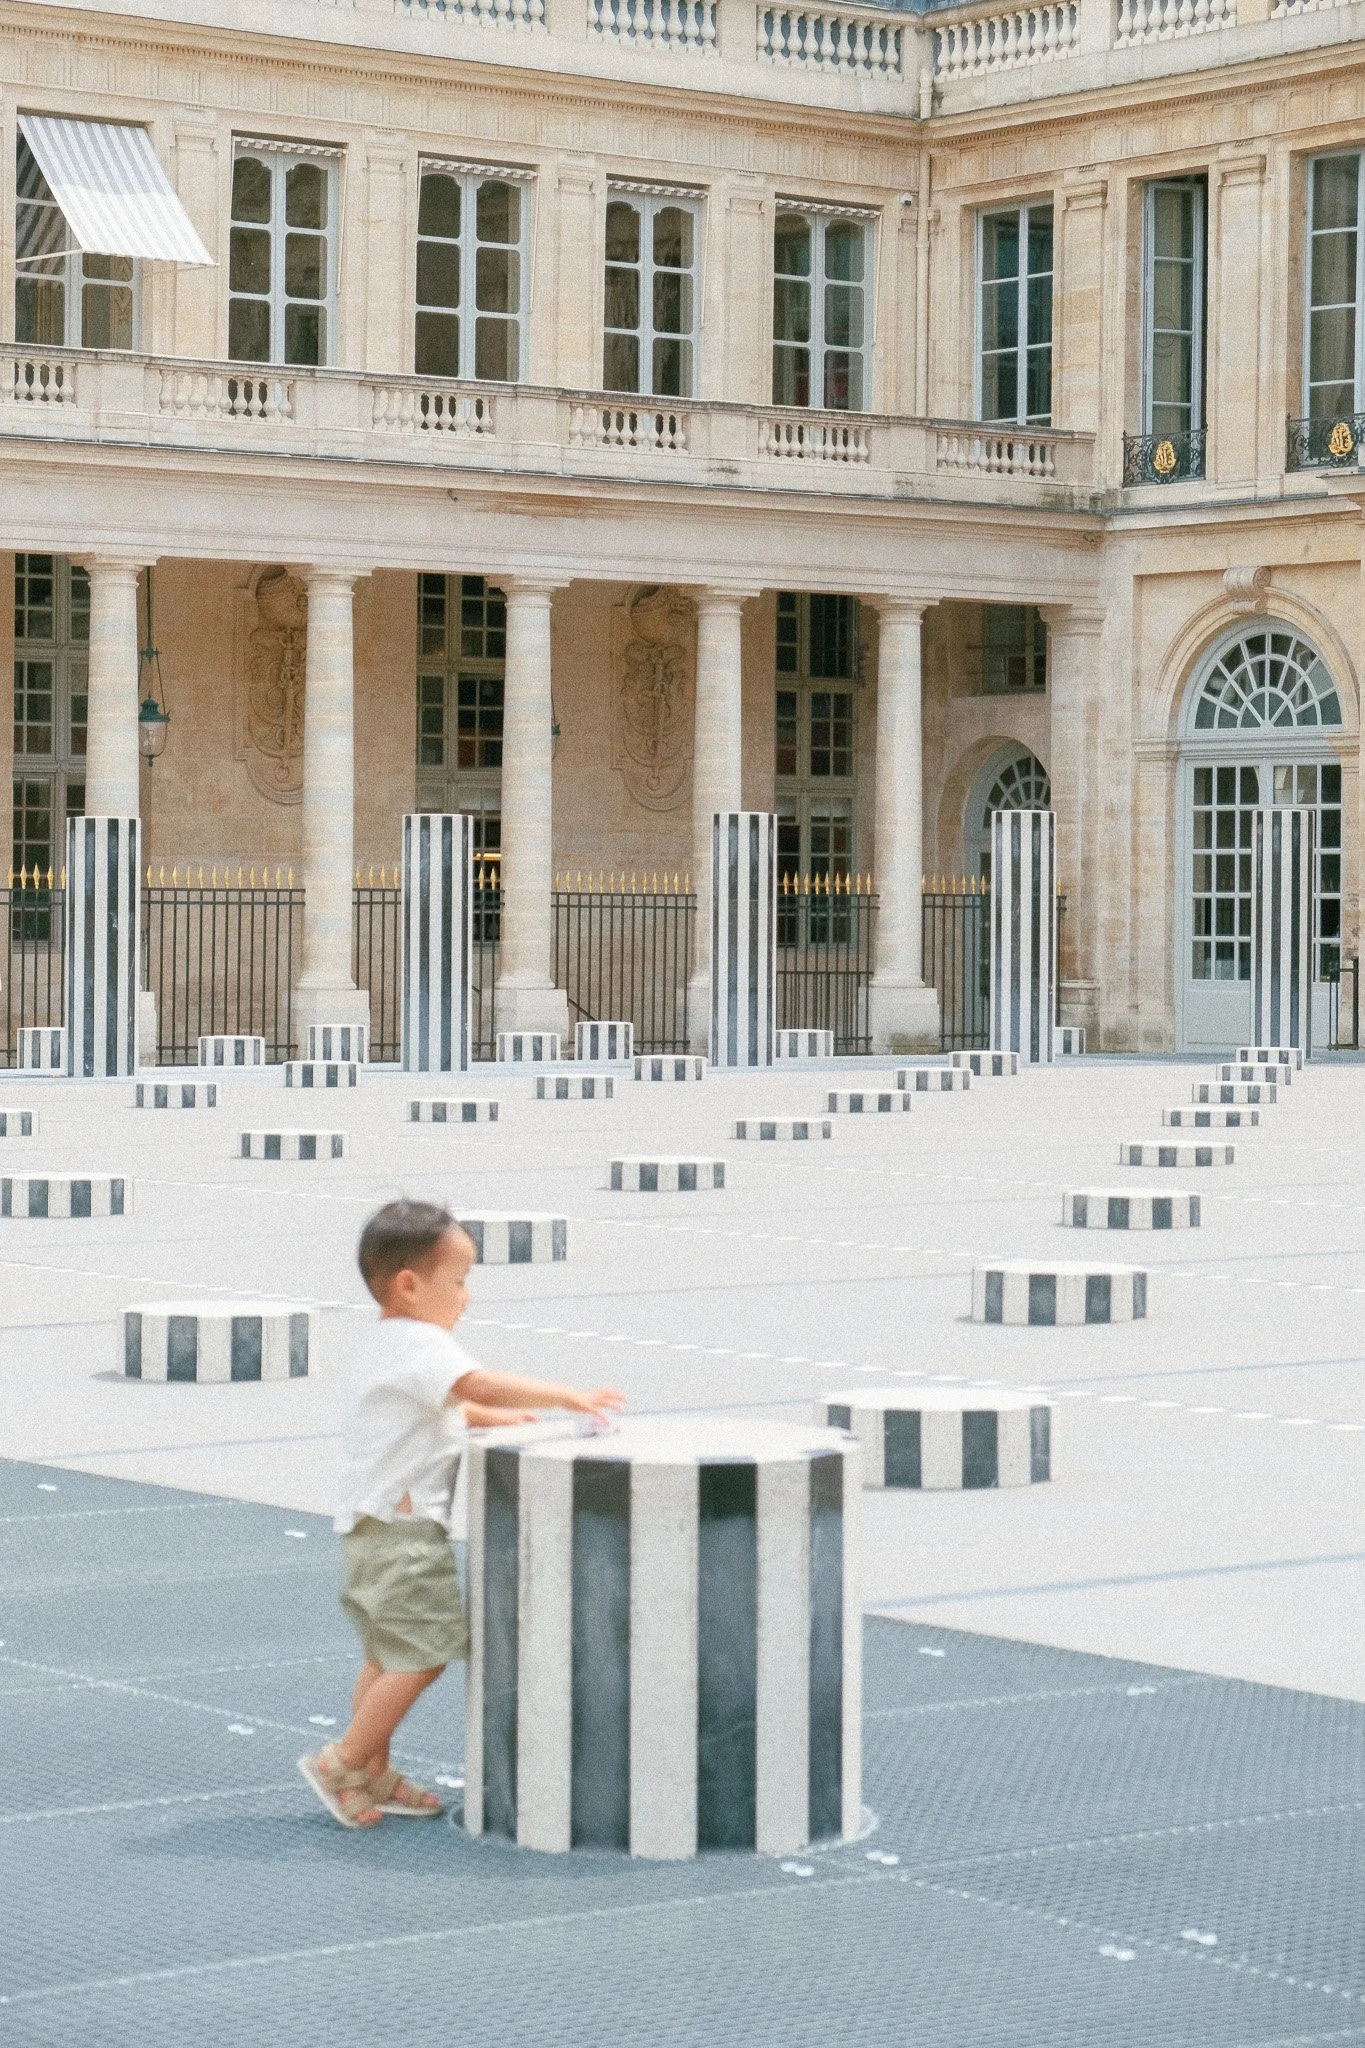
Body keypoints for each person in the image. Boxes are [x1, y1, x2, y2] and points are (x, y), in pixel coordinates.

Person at [298, 1197, 624, 1828]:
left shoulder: (384, 1344)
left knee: (387, 1655)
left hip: (369, 1531)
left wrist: (499, 1420)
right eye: (460, 1280)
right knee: (422, 1657)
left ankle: (372, 1775)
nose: (467, 1296)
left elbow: (444, 1406)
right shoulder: (421, 1343)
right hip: (402, 1534)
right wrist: (570, 1396)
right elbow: (474, 1386)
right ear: (410, 1284)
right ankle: (341, 1762)